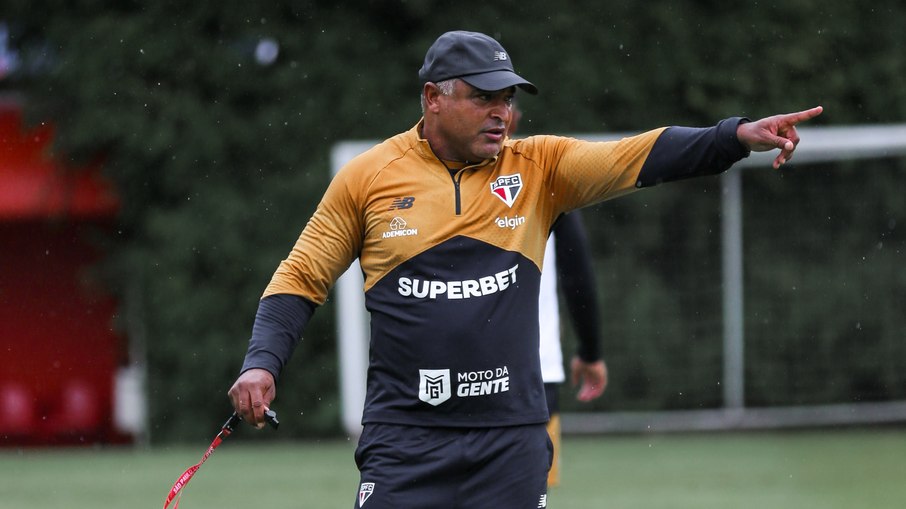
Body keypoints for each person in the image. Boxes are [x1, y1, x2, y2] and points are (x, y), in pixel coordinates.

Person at [228, 30, 822, 508]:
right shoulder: (369, 176)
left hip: (510, 438)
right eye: (484, 97)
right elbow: (301, 275)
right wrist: (262, 363)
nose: (502, 114)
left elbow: (640, 154)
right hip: (404, 440)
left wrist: (735, 136)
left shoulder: (540, 167)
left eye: (508, 99)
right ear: (434, 97)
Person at [539, 210, 608, 488]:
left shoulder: (420, 177)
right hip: (533, 373)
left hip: (437, 382)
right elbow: (577, 272)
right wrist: (590, 351)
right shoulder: (544, 173)